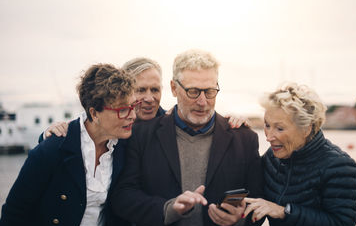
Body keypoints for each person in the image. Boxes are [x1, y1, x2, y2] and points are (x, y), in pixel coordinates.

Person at [111, 49, 264, 226]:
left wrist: (239, 220)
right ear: (174, 88)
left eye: (209, 91)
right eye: (193, 92)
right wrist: (167, 209)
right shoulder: (141, 135)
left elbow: (259, 201)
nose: (202, 101)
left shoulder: (244, 138)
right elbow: (123, 197)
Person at [0, 64, 138, 226]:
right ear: (94, 114)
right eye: (123, 110)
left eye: (133, 106)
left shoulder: (123, 146)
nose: (133, 115)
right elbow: (14, 214)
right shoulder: (51, 151)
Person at [243, 83, 356, 226]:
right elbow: (250, 187)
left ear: (306, 129)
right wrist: (235, 130)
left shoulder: (339, 165)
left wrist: (284, 212)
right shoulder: (272, 157)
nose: (269, 137)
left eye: (279, 128)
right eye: (267, 125)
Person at [42, 57, 245, 138]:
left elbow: (199, 121)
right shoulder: (108, 123)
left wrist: (230, 122)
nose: (149, 98)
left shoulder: (167, 123)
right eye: (141, 90)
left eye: (155, 90)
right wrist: (51, 133)